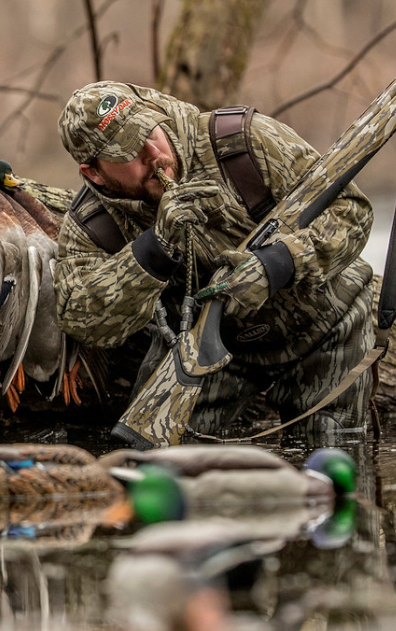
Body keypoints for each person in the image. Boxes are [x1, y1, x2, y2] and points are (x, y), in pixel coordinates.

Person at [54, 81, 375, 446]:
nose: (153, 154)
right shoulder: (92, 224)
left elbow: (351, 209)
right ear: (93, 172)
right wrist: (154, 249)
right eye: (128, 152)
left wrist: (276, 264)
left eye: (149, 132)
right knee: (158, 466)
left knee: (333, 457)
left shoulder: (242, 141)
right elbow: (80, 318)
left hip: (326, 324)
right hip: (212, 353)